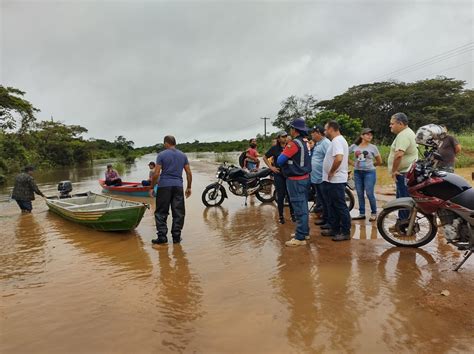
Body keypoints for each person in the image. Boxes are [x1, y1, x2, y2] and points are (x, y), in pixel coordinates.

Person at [150, 135, 192, 245]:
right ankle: (176, 237)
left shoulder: (162, 155)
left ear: (166, 143)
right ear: (175, 143)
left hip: (164, 186)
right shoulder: (183, 155)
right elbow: (188, 172)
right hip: (178, 186)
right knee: (178, 212)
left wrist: (151, 187)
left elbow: (156, 173)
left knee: (161, 212)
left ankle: (162, 237)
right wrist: (189, 187)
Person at [277, 118, 312, 247]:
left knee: (299, 208)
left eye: (291, 128)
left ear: (294, 130)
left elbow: (280, 160)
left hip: (295, 180)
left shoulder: (293, 144)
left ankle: (300, 237)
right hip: (305, 178)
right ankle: (304, 232)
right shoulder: (305, 142)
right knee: (303, 207)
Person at [321, 120, 351, 242]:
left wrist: (332, 171)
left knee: (340, 206)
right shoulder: (337, 140)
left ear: (331, 129)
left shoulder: (337, 140)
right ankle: (334, 229)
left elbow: (339, 158)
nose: (325, 131)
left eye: (326, 129)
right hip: (333, 180)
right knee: (333, 205)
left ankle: (345, 231)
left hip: (337, 179)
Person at [387, 112, 418, 221]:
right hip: (406, 173)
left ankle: (404, 224)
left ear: (400, 123)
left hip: (403, 173)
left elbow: (399, 154)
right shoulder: (407, 133)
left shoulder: (404, 135)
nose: (390, 126)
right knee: (403, 199)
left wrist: (394, 170)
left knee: (404, 201)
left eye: (392, 123)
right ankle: (404, 223)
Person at [349, 128, 382, 221]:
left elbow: (379, 161)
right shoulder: (354, 146)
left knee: (369, 193)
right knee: (359, 193)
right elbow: (344, 154)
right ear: (362, 135)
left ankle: (374, 213)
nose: (370, 136)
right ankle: (362, 213)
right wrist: (352, 163)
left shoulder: (373, 147)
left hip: (369, 173)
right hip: (357, 173)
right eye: (367, 134)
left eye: (371, 135)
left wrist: (371, 165)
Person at [263, 131, 295, 224]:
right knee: (280, 196)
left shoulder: (289, 147)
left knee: (290, 196)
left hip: (289, 174)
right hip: (278, 174)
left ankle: (293, 216)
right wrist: (271, 167)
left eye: (286, 136)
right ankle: (281, 216)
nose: (285, 138)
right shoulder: (274, 149)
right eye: (283, 136)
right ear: (278, 138)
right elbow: (265, 157)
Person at [310, 125, 331, 226]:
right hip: (317, 178)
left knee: (327, 201)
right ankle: (325, 219)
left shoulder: (326, 143)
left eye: (313, 133)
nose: (311, 135)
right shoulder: (318, 143)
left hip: (323, 178)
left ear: (318, 133)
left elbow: (331, 159)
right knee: (322, 200)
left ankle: (329, 221)